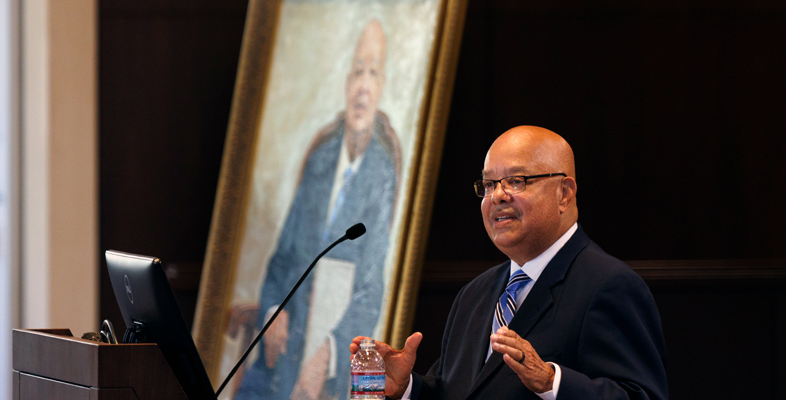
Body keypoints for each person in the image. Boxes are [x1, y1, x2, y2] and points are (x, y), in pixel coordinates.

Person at [350, 126, 668, 399]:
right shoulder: (474, 294)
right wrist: (406, 388)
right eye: (488, 184)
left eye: (516, 181)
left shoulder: (608, 285)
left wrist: (551, 382)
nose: (497, 196)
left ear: (565, 193)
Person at [232, 19, 401, 400]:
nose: (362, 84)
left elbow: (371, 290)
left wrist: (329, 351)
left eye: (373, 73)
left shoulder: (381, 173)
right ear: (345, 83)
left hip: (335, 362)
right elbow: (282, 260)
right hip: (281, 353)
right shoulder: (322, 159)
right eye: (357, 70)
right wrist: (274, 309)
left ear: (382, 88)